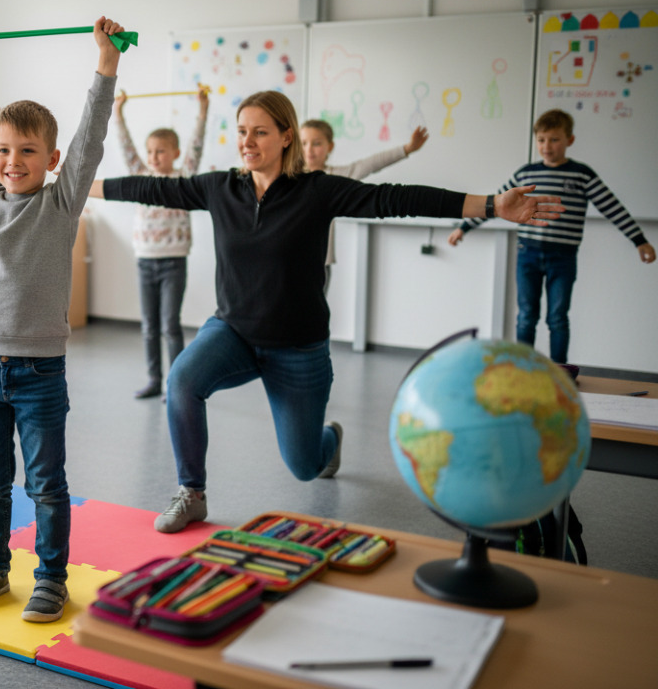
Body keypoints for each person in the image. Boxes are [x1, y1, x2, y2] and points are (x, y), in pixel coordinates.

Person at [91, 90, 563, 533]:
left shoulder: (316, 191)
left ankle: (328, 441)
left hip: (298, 347)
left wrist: (489, 205)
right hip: (233, 331)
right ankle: (192, 493)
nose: (247, 141)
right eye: (241, 131)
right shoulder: (220, 188)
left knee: (305, 466)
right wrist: (78, 189)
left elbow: (394, 199)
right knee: (182, 381)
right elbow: (149, 188)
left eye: (259, 132)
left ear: (286, 137)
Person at [0, 16, 126, 622]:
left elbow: (90, 137)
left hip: (39, 369)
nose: (12, 160)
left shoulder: (62, 200)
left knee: (46, 485)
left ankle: (52, 578)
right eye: (3, 150)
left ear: (51, 158)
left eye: (27, 151)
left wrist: (105, 64)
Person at [448, 108, 654, 364]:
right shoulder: (525, 174)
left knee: (557, 317)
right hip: (528, 254)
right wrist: (464, 227)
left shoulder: (582, 174)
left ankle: (560, 372)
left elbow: (611, 207)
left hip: (563, 257)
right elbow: (496, 204)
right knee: (526, 315)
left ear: (570, 140)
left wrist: (639, 240)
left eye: (555, 139)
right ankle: (523, 368)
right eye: (542, 140)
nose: (547, 146)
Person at [113, 86, 209, 399]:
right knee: (149, 326)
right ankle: (154, 379)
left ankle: (176, 382)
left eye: (161, 151)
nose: (154, 157)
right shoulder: (142, 177)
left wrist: (203, 111)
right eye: (150, 151)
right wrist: (118, 111)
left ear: (176, 154)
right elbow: (127, 148)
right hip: (145, 261)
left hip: (173, 261)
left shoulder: (183, 180)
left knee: (170, 325)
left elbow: (197, 146)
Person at [300, 120, 429, 290]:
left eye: (316, 143)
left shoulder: (335, 177)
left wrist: (407, 149)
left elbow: (371, 163)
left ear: (330, 147)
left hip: (320, 263)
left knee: (314, 315)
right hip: (288, 259)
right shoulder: (288, 177)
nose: (309, 149)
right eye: (303, 143)